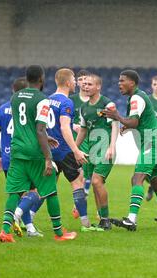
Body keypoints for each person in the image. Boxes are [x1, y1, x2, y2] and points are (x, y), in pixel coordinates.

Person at [0, 65, 77, 242]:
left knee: (15, 193)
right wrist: (48, 158)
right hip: (35, 153)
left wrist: (46, 136)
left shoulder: (15, 97)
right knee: (50, 193)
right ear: (42, 79)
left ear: (27, 79)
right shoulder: (42, 100)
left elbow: (26, 126)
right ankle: (59, 234)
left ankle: (5, 231)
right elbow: (40, 129)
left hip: (17, 151)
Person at [103, 69, 157, 231]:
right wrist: (125, 123)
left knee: (136, 178)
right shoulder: (138, 96)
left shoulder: (136, 98)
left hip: (152, 142)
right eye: (118, 81)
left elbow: (134, 122)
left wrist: (117, 116)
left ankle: (131, 220)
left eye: (122, 81)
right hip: (155, 141)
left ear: (132, 83)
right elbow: (134, 121)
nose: (119, 84)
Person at [47, 68, 100, 232]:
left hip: (49, 150)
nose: (77, 83)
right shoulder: (67, 102)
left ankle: (23, 218)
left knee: (44, 187)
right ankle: (85, 224)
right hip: (63, 149)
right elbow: (64, 128)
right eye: (75, 81)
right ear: (68, 82)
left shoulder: (47, 100)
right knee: (77, 183)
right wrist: (75, 149)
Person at [0, 77, 44, 237]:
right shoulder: (31, 107)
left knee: (19, 193)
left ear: (12, 89)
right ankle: (18, 216)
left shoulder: (1, 109)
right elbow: (38, 130)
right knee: (34, 191)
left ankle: (29, 227)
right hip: (24, 155)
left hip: (9, 157)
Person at [76, 74, 119, 230]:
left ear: (98, 87)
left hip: (105, 148)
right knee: (95, 184)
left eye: (89, 84)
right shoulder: (84, 108)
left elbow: (115, 126)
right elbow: (83, 130)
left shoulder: (108, 105)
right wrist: (74, 149)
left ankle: (106, 219)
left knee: (96, 181)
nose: (85, 86)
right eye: (84, 84)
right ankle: (102, 219)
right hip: (91, 149)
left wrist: (112, 146)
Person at [70, 69, 92, 197]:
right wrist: (73, 126)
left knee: (87, 173)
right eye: (80, 79)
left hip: (89, 140)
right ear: (77, 83)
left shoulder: (95, 100)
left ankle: (82, 197)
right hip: (73, 140)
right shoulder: (71, 100)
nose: (84, 82)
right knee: (76, 175)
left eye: (86, 79)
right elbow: (63, 119)